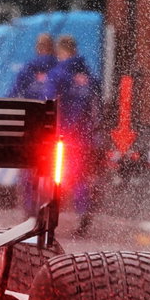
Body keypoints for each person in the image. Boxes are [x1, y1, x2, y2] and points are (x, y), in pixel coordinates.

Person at [48, 35, 101, 233]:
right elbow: (98, 105)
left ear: (61, 52)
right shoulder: (89, 75)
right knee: (79, 177)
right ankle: (83, 211)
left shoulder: (58, 73)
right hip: (85, 135)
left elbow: (49, 102)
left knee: (53, 175)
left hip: (61, 135)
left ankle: (49, 216)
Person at [10, 33, 58, 100]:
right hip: (53, 108)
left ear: (37, 48)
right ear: (53, 48)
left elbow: (12, 94)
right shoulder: (60, 67)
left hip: (31, 108)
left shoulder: (27, 69)